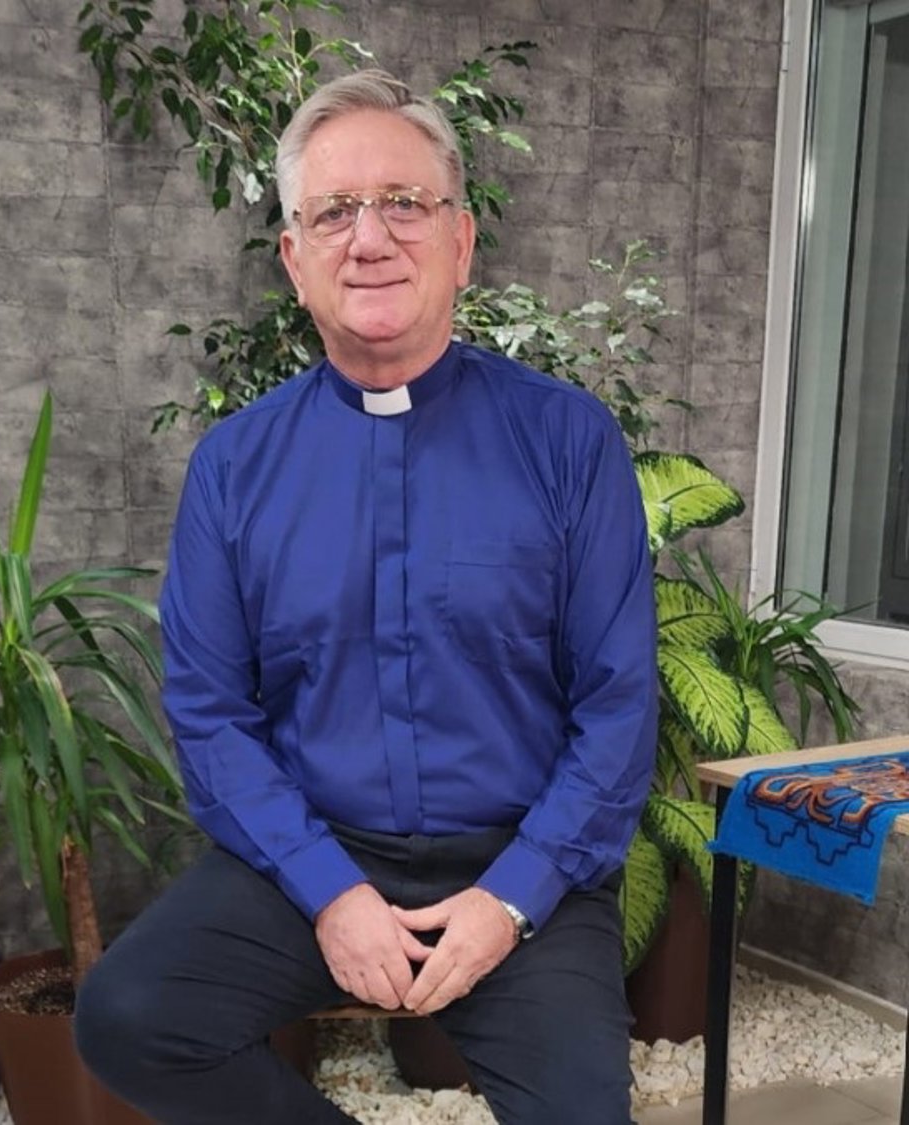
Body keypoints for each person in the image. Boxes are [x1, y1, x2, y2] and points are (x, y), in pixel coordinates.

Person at [75, 68, 658, 1124]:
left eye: (404, 203)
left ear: (461, 243)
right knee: (128, 1016)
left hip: (520, 856)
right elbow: (210, 713)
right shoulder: (235, 468)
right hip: (313, 855)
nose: (371, 238)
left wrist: (512, 898)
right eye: (335, 211)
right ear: (295, 260)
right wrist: (331, 891)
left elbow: (618, 707)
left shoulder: (570, 443)